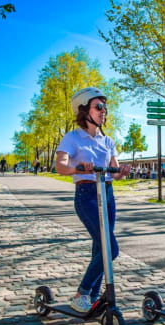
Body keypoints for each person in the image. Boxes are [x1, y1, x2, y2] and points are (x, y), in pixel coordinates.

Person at [55, 87, 131, 313]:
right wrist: (78, 167)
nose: (103, 111)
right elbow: (60, 166)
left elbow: (114, 172)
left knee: (100, 248)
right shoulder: (72, 137)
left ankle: (94, 299)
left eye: (105, 107)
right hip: (86, 194)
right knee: (111, 249)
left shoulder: (107, 141)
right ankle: (82, 293)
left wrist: (122, 171)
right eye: (98, 107)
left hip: (107, 194)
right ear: (83, 109)